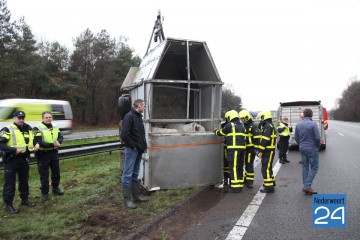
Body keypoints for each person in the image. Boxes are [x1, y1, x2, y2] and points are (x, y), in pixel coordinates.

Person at [0, 111, 38, 214]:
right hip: (11, 159)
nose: (21, 120)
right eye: (19, 118)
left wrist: (36, 144)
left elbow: (32, 139)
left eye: (22, 118)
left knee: (24, 181)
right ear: (14, 118)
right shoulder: (7, 129)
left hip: (24, 159)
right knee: (10, 183)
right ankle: (8, 205)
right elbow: (1, 144)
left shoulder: (28, 128)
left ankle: (24, 200)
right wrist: (13, 150)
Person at [120, 99, 149, 208]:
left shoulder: (138, 117)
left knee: (135, 173)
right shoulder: (129, 117)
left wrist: (144, 146)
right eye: (144, 106)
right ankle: (128, 200)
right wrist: (134, 146)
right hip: (132, 150)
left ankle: (136, 196)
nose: (144, 108)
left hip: (139, 149)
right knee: (127, 174)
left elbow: (141, 134)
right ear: (139, 106)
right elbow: (124, 135)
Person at [33, 112, 64, 201]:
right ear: (42, 118)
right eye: (46, 117)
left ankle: (55, 187)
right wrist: (53, 145)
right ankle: (44, 192)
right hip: (43, 154)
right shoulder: (36, 128)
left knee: (56, 172)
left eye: (50, 117)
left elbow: (60, 136)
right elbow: (39, 141)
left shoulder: (55, 126)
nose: (48, 119)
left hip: (53, 153)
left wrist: (59, 142)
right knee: (44, 174)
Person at [214, 110, 246, 193]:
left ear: (230, 117)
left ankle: (235, 187)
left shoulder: (230, 125)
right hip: (242, 149)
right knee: (239, 168)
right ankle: (239, 184)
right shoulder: (241, 125)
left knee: (233, 168)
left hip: (233, 149)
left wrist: (215, 130)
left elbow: (221, 132)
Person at [295, 108, 320, 195]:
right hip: (312, 148)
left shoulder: (298, 124)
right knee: (315, 167)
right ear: (311, 115)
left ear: (304, 115)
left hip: (302, 148)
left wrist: (301, 144)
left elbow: (296, 138)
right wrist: (318, 146)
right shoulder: (313, 124)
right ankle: (307, 186)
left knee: (305, 167)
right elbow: (317, 137)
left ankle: (306, 185)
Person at [239, 110, 261, 189]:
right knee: (244, 165)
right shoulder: (243, 126)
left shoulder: (253, 126)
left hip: (250, 149)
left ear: (247, 117)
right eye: (241, 119)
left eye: (242, 119)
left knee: (249, 165)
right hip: (243, 149)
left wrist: (256, 148)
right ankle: (246, 179)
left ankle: (250, 182)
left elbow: (257, 138)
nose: (241, 120)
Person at [257, 111, 277, 193]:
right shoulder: (269, 125)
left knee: (265, 169)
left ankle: (269, 187)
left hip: (268, 151)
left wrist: (260, 150)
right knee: (268, 168)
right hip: (269, 150)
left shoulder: (267, 126)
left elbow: (265, 139)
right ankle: (271, 183)